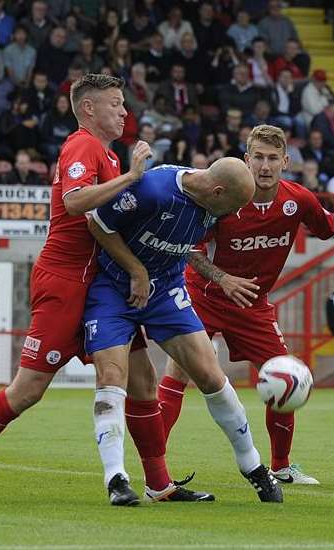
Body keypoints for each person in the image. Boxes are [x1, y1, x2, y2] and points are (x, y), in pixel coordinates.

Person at [0, 74, 206, 504]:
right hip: (66, 282)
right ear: (89, 109)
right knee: (27, 389)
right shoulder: (82, 146)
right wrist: (133, 177)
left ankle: (159, 483)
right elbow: (75, 202)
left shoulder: (107, 154)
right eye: (116, 104)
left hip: (101, 284)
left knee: (143, 381)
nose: (125, 112)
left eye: (124, 104)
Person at [158, 125, 334, 486]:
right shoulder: (226, 197)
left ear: (285, 162)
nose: (265, 165)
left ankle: (281, 466)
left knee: (285, 376)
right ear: (246, 160)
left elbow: (333, 228)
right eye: (258, 157)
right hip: (204, 297)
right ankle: (156, 469)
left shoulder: (298, 200)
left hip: (253, 305)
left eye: (272, 158)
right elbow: (188, 247)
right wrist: (222, 279)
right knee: (177, 375)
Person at [83, 158, 282, 504]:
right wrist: (136, 270)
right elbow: (98, 223)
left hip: (166, 289)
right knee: (114, 375)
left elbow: (183, 244)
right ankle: (116, 479)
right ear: (217, 191)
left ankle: (254, 467)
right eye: (233, 205)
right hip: (114, 287)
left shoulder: (215, 205)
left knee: (210, 374)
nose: (233, 214)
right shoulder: (153, 189)